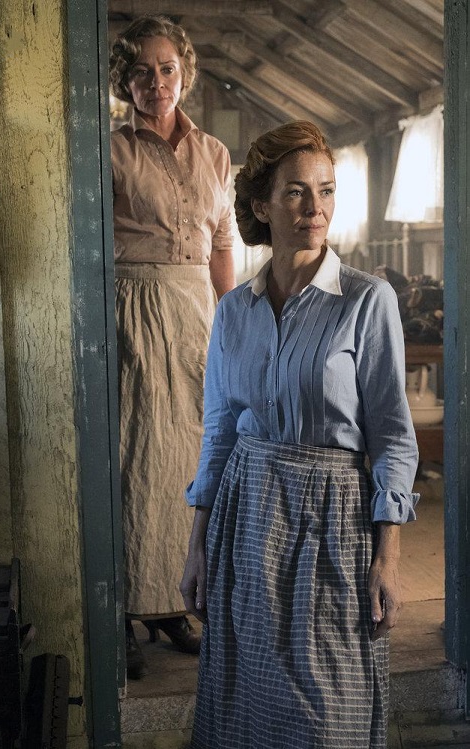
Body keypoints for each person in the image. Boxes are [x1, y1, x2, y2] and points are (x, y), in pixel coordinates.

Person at [181, 120, 419, 748]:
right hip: (246, 519)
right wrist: (198, 546)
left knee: (327, 713)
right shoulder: (234, 311)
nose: (316, 207)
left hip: (333, 524)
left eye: (326, 190)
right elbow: (220, 433)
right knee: (246, 705)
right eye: (296, 191)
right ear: (261, 205)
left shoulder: (367, 301)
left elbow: (393, 437)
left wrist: (389, 558)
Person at [109, 15, 235, 679]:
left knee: (190, 459)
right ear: (124, 81)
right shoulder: (111, 149)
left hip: (197, 315)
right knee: (137, 459)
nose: (156, 82)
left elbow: (222, 246)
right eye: (142, 71)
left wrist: (232, 321)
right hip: (134, 309)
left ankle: (172, 605)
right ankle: (123, 611)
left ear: (184, 73)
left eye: (167, 69)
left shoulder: (214, 152)